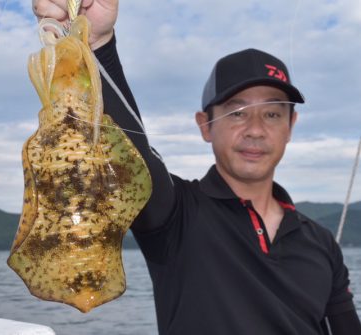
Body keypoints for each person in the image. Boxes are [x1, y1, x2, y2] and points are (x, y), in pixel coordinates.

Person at [32, 1, 361, 334]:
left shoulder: (321, 243)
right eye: (237, 112)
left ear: (291, 126)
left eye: (273, 114)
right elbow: (134, 155)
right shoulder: (176, 214)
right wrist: (97, 44)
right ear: (205, 125)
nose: (256, 129)